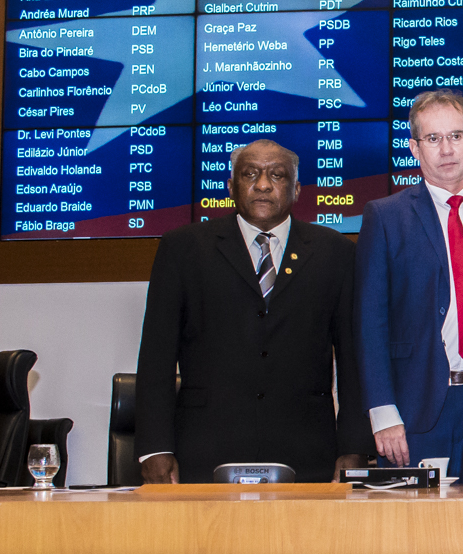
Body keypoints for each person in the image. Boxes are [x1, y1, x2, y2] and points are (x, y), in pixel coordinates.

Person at [135, 139, 373, 483]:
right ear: (231, 187)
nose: (263, 184)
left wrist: (354, 447)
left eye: (277, 175)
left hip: (306, 449)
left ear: (296, 190)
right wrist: (154, 448)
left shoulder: (335, 252)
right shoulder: (183, 249)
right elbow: (156, 354)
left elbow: (352, 358)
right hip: (205, 447)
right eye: (250, 174)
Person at [355, 88, 463, 485]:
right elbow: (369, 321)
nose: (446, 149)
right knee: (416, 537)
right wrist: (383, 413)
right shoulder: (385, 217)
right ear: (414, 148)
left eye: (455, 136)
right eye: (433, 139)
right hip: (417, 409)